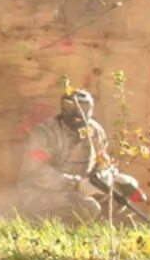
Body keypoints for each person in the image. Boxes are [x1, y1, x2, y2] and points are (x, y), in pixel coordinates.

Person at [16, 89, 111, 221]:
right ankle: (50, 228)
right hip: (39, 193)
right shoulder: (45, 132)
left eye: (84, 108)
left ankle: (109, 229)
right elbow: (36, 172)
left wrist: (103, 177)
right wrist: (75, 184)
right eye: (73, 109)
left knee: (126, 187)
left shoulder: (95, 131)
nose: (79, 114)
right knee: (87, 206)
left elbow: (103, 161)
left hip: (81, 189)